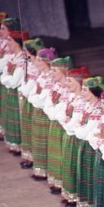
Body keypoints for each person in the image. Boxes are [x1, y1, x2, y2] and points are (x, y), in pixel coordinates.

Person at [75, 76, 104, 207]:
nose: (82, 93)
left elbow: (88, 132)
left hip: (92, 147)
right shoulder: (88, 105)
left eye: (85, 90)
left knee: (91, 178)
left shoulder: (98, 110)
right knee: (85, 175)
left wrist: (79, 129)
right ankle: (86, 206)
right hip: (87, 144)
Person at [59, 66, 90, 206]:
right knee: (68, 165)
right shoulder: (72, 97)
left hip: (76, 137)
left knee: (75, 168)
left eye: (70, 81)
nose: (67, 84)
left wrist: (68, 124)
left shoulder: (83, 102)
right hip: (70, 134)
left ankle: (76, 197)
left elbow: (76, 122)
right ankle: (70, 194)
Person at [0, 17, 21, 138]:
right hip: (6, 79)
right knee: (3, 105)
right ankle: (6, 132)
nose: (0, 31)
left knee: (14, 111)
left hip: (14, 85)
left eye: (3, 29)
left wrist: (5, 75)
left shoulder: (22, 55)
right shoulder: (4, 43)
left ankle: (15, 137)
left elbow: (25, 64)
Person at [44, 56, 74, 193]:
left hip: (64, 126)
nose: (52, 73)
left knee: (63, 156)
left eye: (55, 71)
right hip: (57, 123)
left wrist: (55, 113)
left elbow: (62, 111)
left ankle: (64, 185)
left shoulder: (69, 91)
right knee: (55, 153)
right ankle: (57, 182)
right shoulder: (57, 86)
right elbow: (49, 105)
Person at [28, 47, 58, 180]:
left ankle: (46, 171)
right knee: (38, 139)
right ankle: (40, 169)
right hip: (40, 111)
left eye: (40, 60)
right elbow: (35, 93)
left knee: (45, 142)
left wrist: (34, 98)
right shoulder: (42, 75)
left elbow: (42, 98)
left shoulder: (51, 78)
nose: (37, 62)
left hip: (45, 112)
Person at [0, 28, 30, 154]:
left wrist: (5, 77)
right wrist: (5, 77)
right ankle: (15, 145)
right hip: (13, 93)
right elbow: (5, 75)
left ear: (17, 43)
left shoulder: (22, 60)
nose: (8, 43)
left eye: (10, 41)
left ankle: (22, 147)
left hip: (20, 95)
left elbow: (13, 82)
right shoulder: (14, 57)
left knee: (20, 121)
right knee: (13, 118)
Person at [18, 38, 45, 169]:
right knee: (28, 129)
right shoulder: (29, 64)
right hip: (30, 100)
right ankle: (29, 157)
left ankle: (37, 161)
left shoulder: (38, 69)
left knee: (36, 133)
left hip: (35, 101)